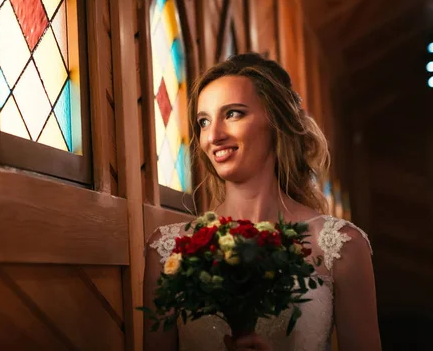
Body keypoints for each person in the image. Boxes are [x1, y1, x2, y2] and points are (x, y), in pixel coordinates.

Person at [143, 53, 381, 351]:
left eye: (233, 114)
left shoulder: (341, 245)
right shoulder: (168, 250)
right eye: (203, 121)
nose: (213, 135)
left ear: (276, 122)